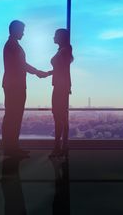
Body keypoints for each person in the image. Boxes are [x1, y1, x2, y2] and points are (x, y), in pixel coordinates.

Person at [2, 20, 48, 157]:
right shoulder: (12, 45)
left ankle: (12, 147)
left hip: (13, 85)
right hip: (15, 86)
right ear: (15, 30)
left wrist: (36, 72)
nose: (23, 33)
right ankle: (11, 149)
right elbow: (22, 65)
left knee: (13, 116)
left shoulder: (12, 45)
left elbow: (21, 64)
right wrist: (38, 72)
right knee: (13, 117)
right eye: (22, 30)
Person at [45, 28, 73, 158]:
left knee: (59, 117)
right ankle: (62, 147)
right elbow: (62, 70)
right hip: (62, 87)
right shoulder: (64, 51)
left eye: (55, 35)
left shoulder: (64, 51)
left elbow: (63, 71)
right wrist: (49, 73)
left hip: (60, 88)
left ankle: (58, 147)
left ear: (61, 37)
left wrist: (65, 86)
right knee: (61, 118)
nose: (53, 37)